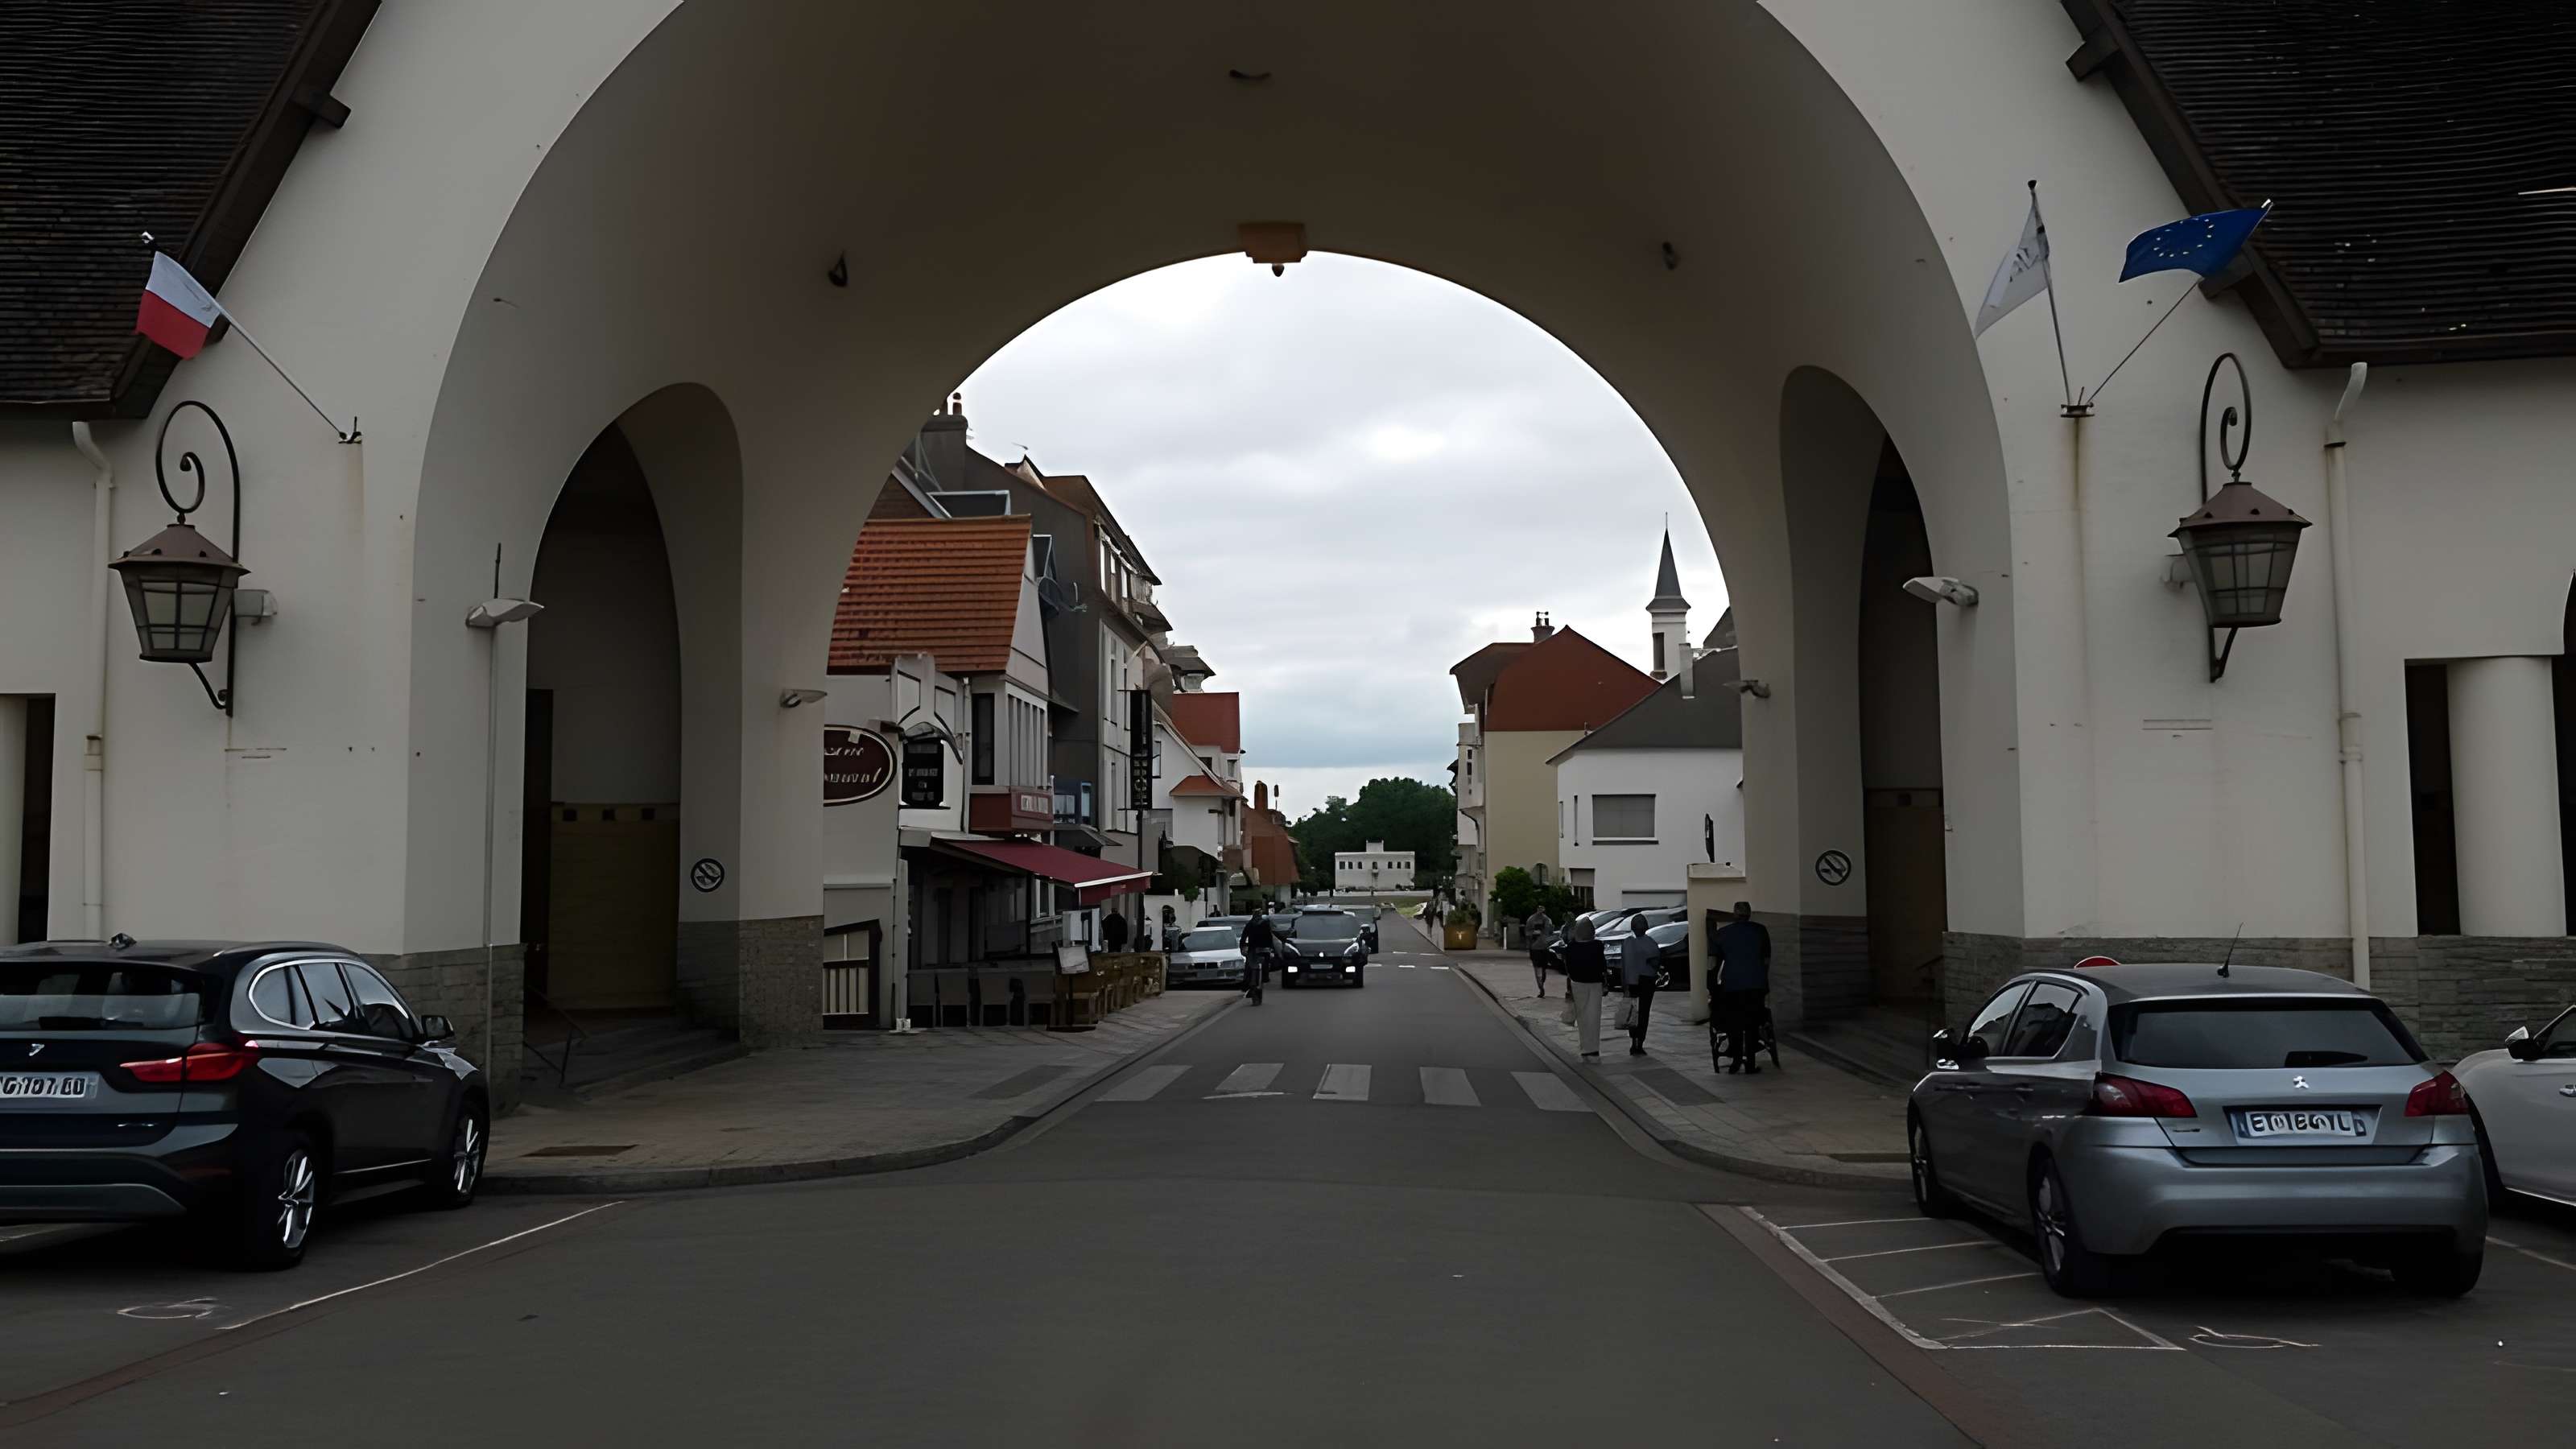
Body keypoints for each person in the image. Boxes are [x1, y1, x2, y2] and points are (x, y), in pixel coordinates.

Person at [1711, 901, 1771, 1074]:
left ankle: (1736, 1061)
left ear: (1734, 914)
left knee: (1734, 1023)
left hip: (1732, 985)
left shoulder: (1723, 934)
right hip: (1755, 984)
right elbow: (1766, 959)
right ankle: (1750, 1062)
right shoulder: (1760, 931)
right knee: (1752, 1023)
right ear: (1749, 914)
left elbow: (1714, 961)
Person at [1562, 915, 1606, 1059]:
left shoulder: (1572, 947)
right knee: (1594, 1016)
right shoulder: (1598, 946)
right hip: (1595, 984)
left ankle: (1585, 1047)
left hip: (1578, 983)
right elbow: (1602, 966)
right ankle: (1594, 1047)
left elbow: (1568, 967)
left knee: (1582, 1017)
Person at [1617, 920, 1660, 1056]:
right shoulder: (1651, 943)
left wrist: (1625, 985)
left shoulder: (1627, 943)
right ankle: (1639, 1043)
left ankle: (1634, 1041)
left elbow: (1624, 965)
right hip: (1646, 980)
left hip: (1632, 981)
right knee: (1643, 1012)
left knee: (1633, 1012)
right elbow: (1656, 963)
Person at [1241, 910, 1275, 1004]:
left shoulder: (1250, 924)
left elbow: (1243, 937)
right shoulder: (1265, 924)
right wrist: (1271, 949)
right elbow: (1270, 938)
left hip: (1255, 950)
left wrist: (1242, 947)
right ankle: (1262, 979)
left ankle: (1248, 985)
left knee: (1249, 968)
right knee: (1263, 967)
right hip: (1262, 950)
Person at [1524, 906, 1555, 997]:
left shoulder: (1547, 920)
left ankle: (1542, 983)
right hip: (1535, 948)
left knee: (1543, 969)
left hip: (1544, 947)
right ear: (1536, 909)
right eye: (1539, 908)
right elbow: (1527, 932)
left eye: (1542, 909)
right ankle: (1541, 988)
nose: (1540, 911)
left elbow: (1551, 932)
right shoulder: (1531, 919)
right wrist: (1533, 934)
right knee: (1537, 968)